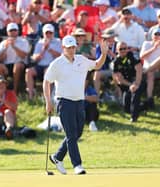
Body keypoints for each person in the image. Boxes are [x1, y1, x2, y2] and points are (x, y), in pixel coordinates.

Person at [43, 35, 108, 175]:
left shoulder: (81, 60)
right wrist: (48, 102)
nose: (71, 50)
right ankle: (77, 165)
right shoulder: (57, 63)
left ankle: (57, 157)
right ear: (63, 48)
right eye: (68, 48)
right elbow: (47, 81)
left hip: (79, 101)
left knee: (77, 132)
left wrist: (103, 54)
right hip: (64, 101)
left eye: (73, 47)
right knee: (71, 134)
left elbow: (97, 65)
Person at [25, 23, 62, 100]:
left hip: (52, 65)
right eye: (46, 33)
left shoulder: (58, 42)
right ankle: (30, 95)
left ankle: (46, 96)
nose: (48, 34)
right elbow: (35, 58)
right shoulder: (39, 43)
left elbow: (60, 56)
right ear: (43, 33)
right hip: (40, 65)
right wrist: (43, 49)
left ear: (53, 33)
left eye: (50, 33)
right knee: (29, 71)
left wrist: (49, 49)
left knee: (47, 71)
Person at [140, 27, 160, 108]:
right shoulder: (146, 44)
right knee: (150, 73)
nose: (157, 36)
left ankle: (145, 72)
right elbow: (142, 56)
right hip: (149, 69)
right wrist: (153, 48)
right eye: (155, 34)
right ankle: (149, 98)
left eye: (159, 34)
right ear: (152, 36)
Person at [113, 41, 145, 122]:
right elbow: (119, 79)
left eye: (125, 48)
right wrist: (131, 85)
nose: (123, 50)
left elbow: (139, 69)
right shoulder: (116, 61)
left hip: (137, 80)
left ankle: (134, 117)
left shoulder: (132, 56)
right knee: (126, 108)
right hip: (127, 84)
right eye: (121, 49)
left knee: (135, 94)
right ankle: (145, 106)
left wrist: (136, 84)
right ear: (117, 50)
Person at [0, 22, 30, 94]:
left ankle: (15, 89)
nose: (13, 32)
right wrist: (5, 48)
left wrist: (14, 46)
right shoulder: (3, 43)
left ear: (18, 31)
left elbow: (23, 56)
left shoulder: (23, 41)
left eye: (15, 30)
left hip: (20, 64)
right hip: (7, 65)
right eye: (11, 31)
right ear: (8, 32)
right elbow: (0, 58)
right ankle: (3, 89)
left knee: (17, 66)